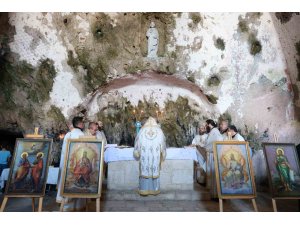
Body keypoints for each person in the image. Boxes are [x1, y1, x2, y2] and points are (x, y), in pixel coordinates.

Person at [56, 116, 85, 211]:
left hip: (67, 164)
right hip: (78, 164)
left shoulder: (68, 134)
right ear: (80, 124)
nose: (83, 124)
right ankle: (78, 206)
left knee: (68, 183)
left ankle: (65, 205)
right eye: (82, 123)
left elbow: (64, 152)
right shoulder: (82, 135)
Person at [133, 117, 166, 196]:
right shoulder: (159, 131)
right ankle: (154, 190)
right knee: (154, 170)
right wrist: (163, 152)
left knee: (145, 170)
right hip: (155, 156)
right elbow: (163, 144)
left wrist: (137, 152)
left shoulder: (142, 130)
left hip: (145, 156)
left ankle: (144, 190)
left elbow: (137, 142)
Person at [204, 119, 223, 199]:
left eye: (206, 125)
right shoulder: (215, 131)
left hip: (213, 154)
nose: (205, 126)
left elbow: (209, 143)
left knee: (214, 174)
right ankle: (215, 193)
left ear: (209, 124)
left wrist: (204, 147)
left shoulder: (214, 132)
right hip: (214, 153)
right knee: (214, 174)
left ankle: (216, 194)